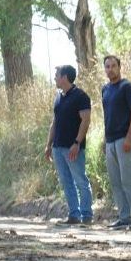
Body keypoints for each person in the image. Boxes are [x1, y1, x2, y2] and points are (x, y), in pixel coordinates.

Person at [44, 65, 93, 226]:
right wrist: (49, 145)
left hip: (73, 147)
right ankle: (74, 215)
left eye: (56, 75)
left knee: (80, 181)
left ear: (64, 77)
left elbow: (85, 121)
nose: (55, 78)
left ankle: (86, 216)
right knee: (66, 182)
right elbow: (55, 122)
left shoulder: (81, 96)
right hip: (58, 147)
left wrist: (77, 142)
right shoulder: (58, 97)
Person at [102, 55, 131, 229]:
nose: (110, 69)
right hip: (110, 141)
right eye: (107, 66)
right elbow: (107, 116)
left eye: (113, 66)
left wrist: (129, 137)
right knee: (115, 181)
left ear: (119, 67)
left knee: (127, 180)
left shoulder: (127, 87)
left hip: (124, 140)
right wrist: (105, 141)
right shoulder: (105, 90)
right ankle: (124, 216)